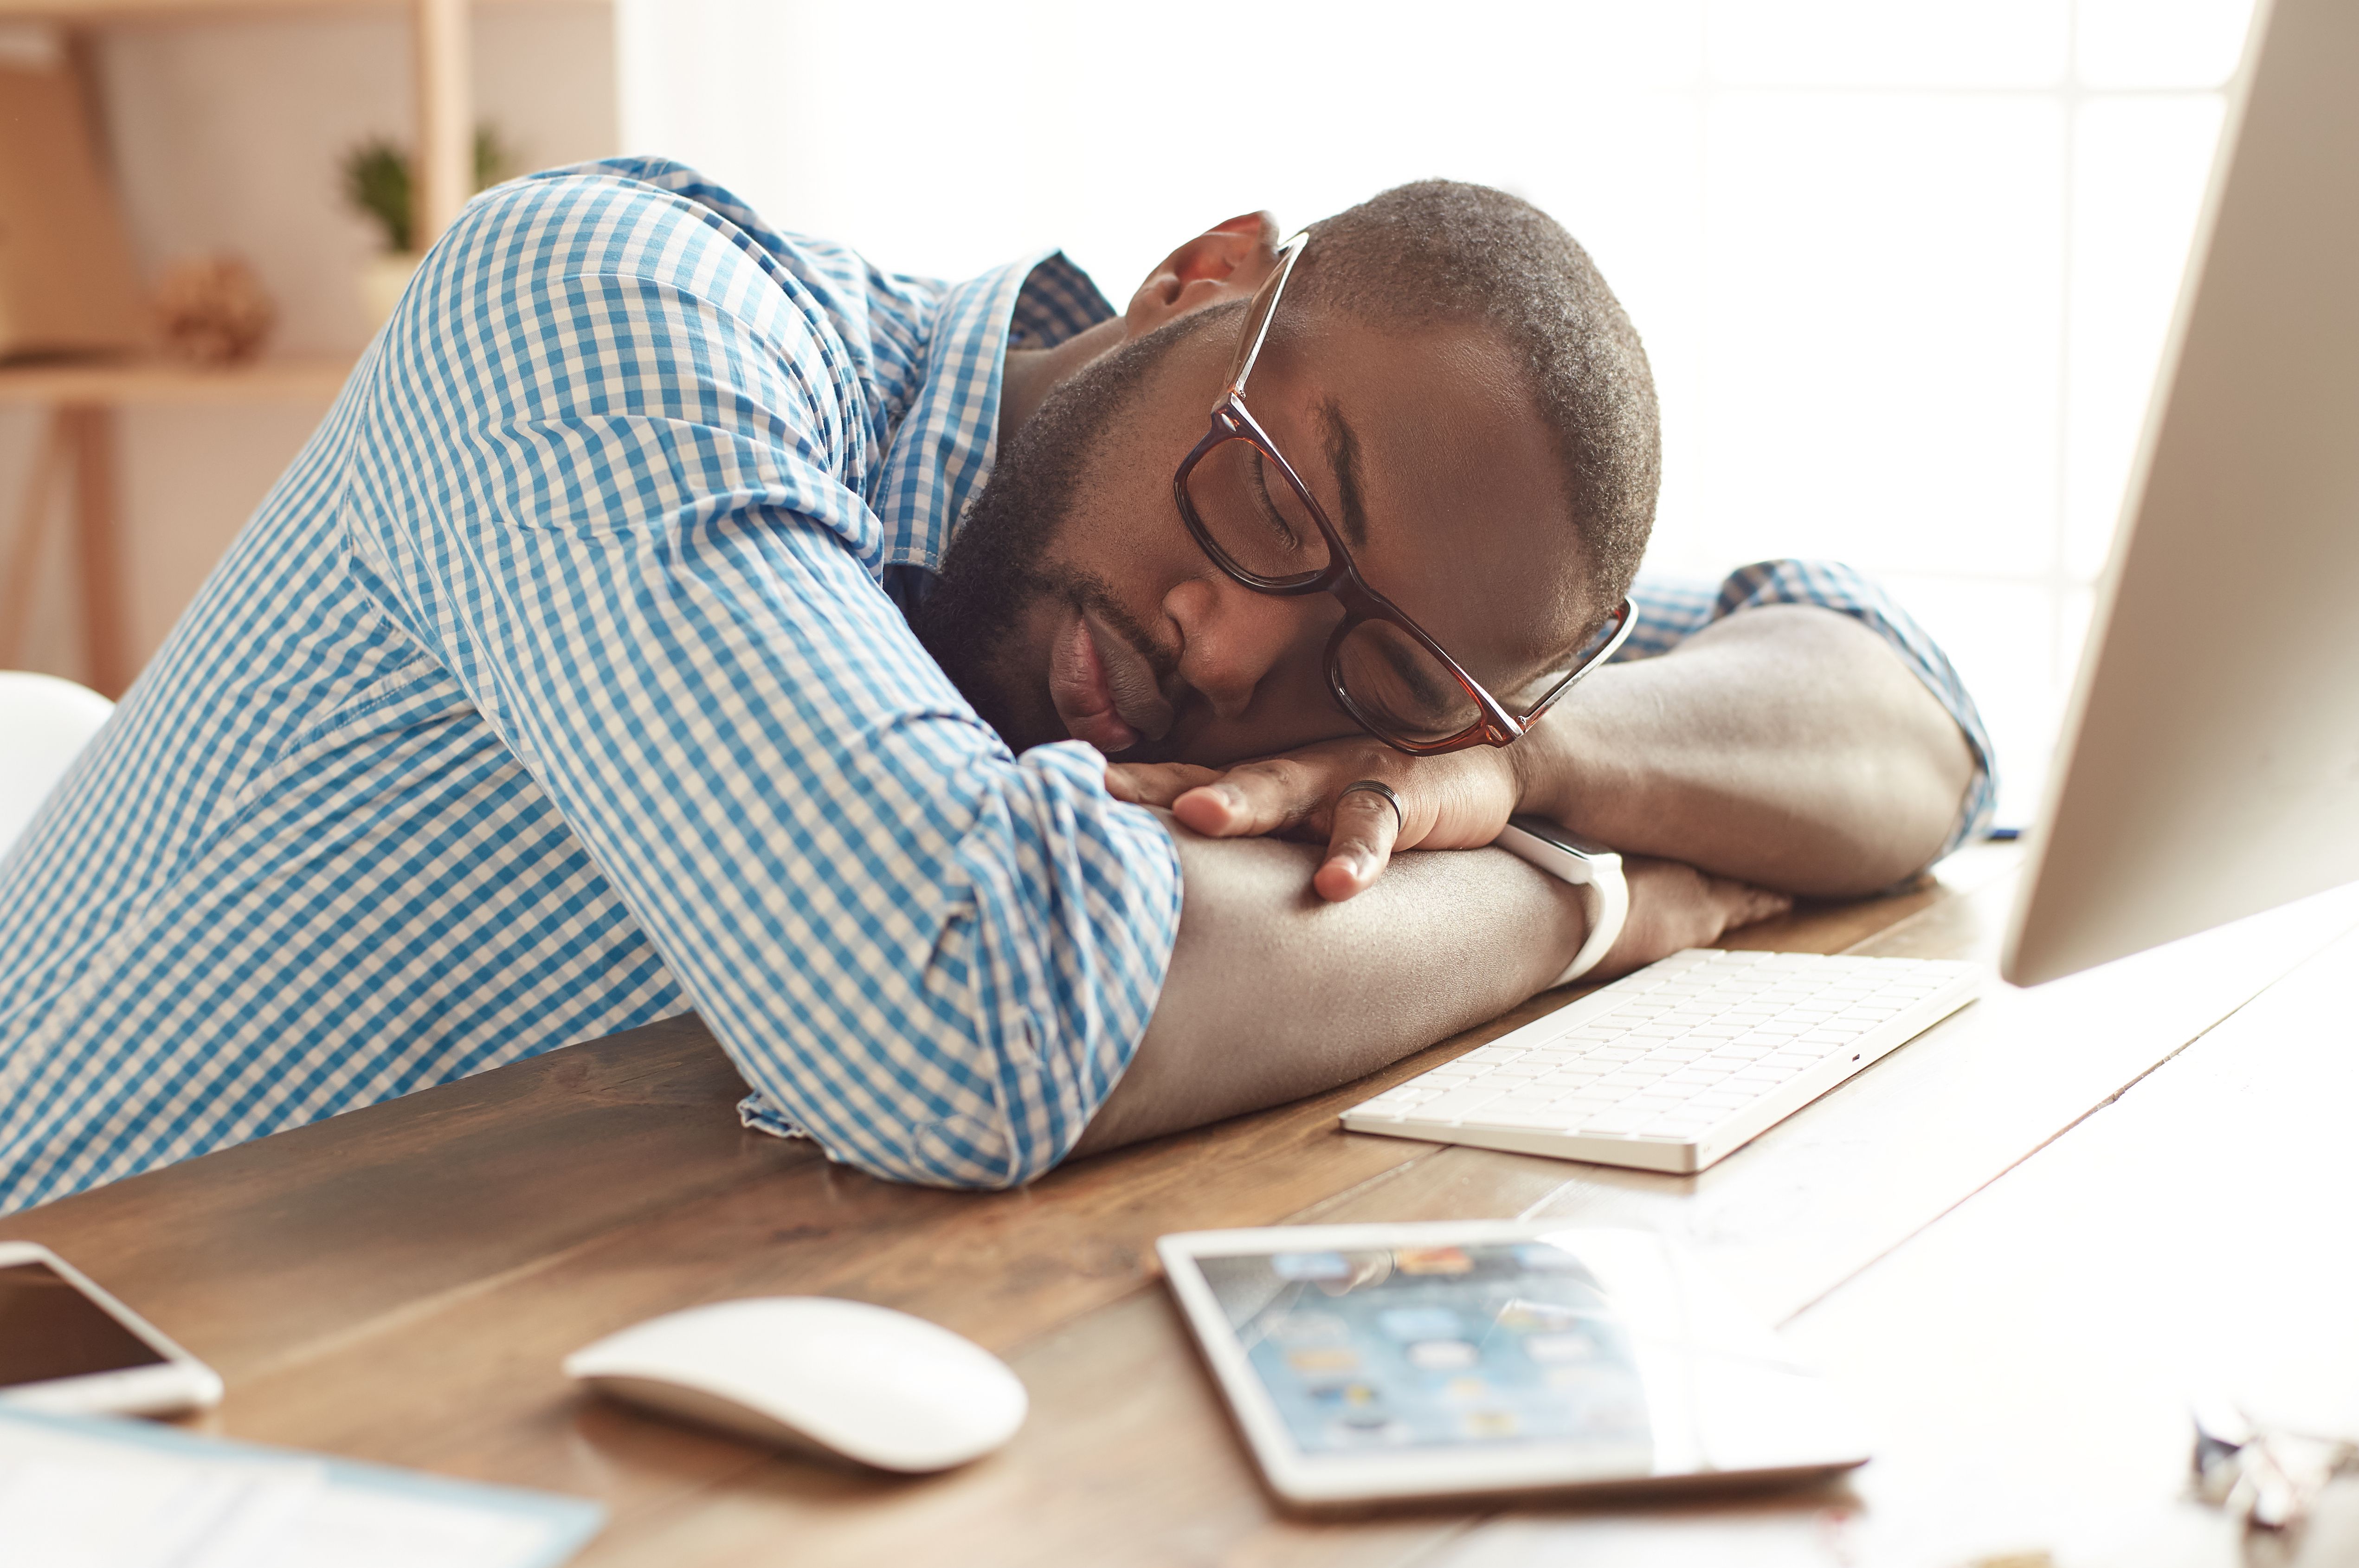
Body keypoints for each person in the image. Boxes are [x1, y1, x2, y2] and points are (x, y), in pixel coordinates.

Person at [0, 162, 1989, 1214]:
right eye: (1270, 496)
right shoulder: (608, 309)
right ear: (1198, 274)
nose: (1231, 647)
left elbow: (1909, 719)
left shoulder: (1432, 663)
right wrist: (1588, 893)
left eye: (1368, 674)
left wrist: (1519, 751)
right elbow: (957, 1006)